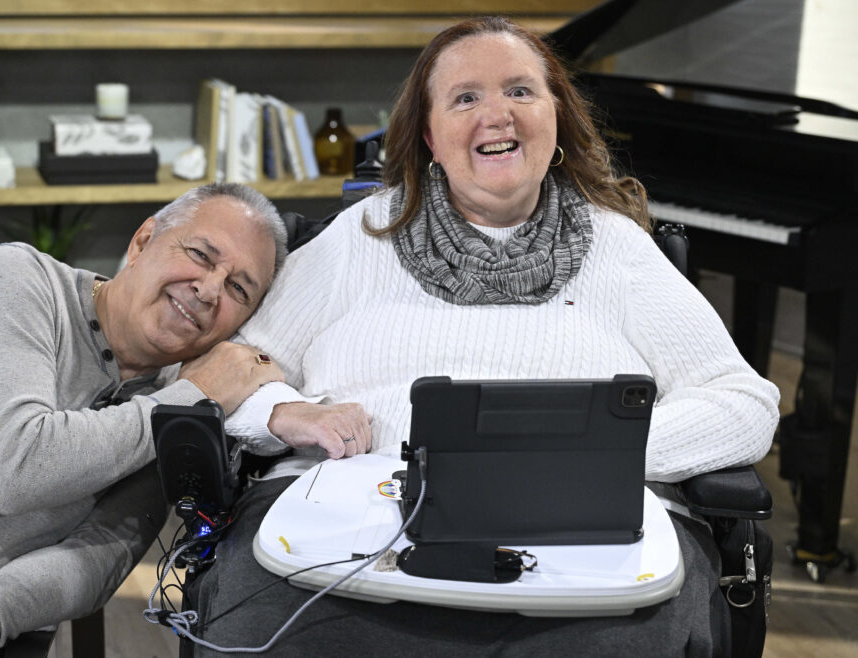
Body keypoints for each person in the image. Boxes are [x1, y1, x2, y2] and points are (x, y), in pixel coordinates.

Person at [183, 17, 780, 656]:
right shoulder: (359, 238)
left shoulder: (620, 249)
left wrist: (599, 454)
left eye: (521, 92)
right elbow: (224, 374)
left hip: (579, 537)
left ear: (556, 119)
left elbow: (745, 403)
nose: (498, 115)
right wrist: (283, 412)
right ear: (430, 137)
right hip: (355, 522)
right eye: (466, 98)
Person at [0, 182, 289, 656]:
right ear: (142, 241)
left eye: (238, 287)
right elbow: (17, 469)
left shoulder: (173, 407)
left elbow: (98, 558)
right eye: (200, 254)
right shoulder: (18, 278)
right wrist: (196, 394)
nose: (209, 290)